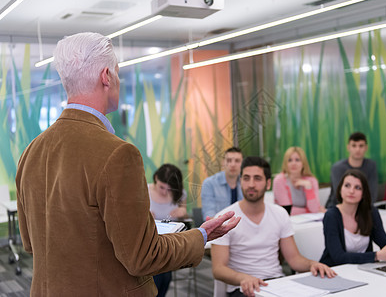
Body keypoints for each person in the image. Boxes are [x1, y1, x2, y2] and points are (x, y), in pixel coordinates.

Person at [15, 32, 240, 296]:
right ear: (106, 76)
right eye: (118, 72)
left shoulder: (30, 151)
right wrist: (200, 236)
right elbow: (142, 257)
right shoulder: (117, 153)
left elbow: (31, 243)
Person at [211, 156, 336, 297]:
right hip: (242, 288)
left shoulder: (280, 213)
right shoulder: (225, 218)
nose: (251, 184)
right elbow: (218, 269)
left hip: (276, 284)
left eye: (257, 178)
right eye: (246, 178)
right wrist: (243, 278)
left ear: (268, 183)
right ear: (241, 182)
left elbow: (294, 259)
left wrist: (312, 264)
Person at [320, 169, 386, 267]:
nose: (351, 191)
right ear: (340, 189)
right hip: (334, 271)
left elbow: (384, 243)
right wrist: (376, 256)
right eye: (347, 185)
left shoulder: (371, 212)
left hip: (363, 269)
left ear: (364, 193)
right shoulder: (332, 216)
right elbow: (338, 257)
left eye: (357, 187)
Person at [148, 164, 187, 297]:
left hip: (170, 241)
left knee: (165, 278)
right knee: (158, 277)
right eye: (161, 187)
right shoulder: (144, 191)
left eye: (168, 189)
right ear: (156, 178)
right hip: (150, 242)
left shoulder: (179, 193)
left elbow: (184, 213)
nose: (164, 192)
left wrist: (183, 211)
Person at [326, 132, 378, 208]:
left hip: (363, 209)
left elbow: (372, 194)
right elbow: (341, 195)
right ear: (348, 147)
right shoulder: (337, 168)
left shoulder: (371, 166)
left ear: (366, 148)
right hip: (337, 208)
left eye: (361, 146)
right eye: (354, 145)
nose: (357, 149)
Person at [272, 146, 323, 215]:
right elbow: (286, 211)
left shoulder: (312, 181)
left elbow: (314, 209)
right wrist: (308, 211)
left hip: (307, 222)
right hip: (285, 221)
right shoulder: (279, 180)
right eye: (289, 160)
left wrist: (308, 187)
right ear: (285, 163)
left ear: (303, 163)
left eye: (297, 160)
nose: (293, 163)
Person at [201, 147, 244, 220]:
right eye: (229, 160)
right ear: (223, 163)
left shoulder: (247, 183)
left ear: (242, 163)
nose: (233, 164)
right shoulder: (209, 183)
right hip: (219, 228)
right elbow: (209, 216)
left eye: (237, 161)